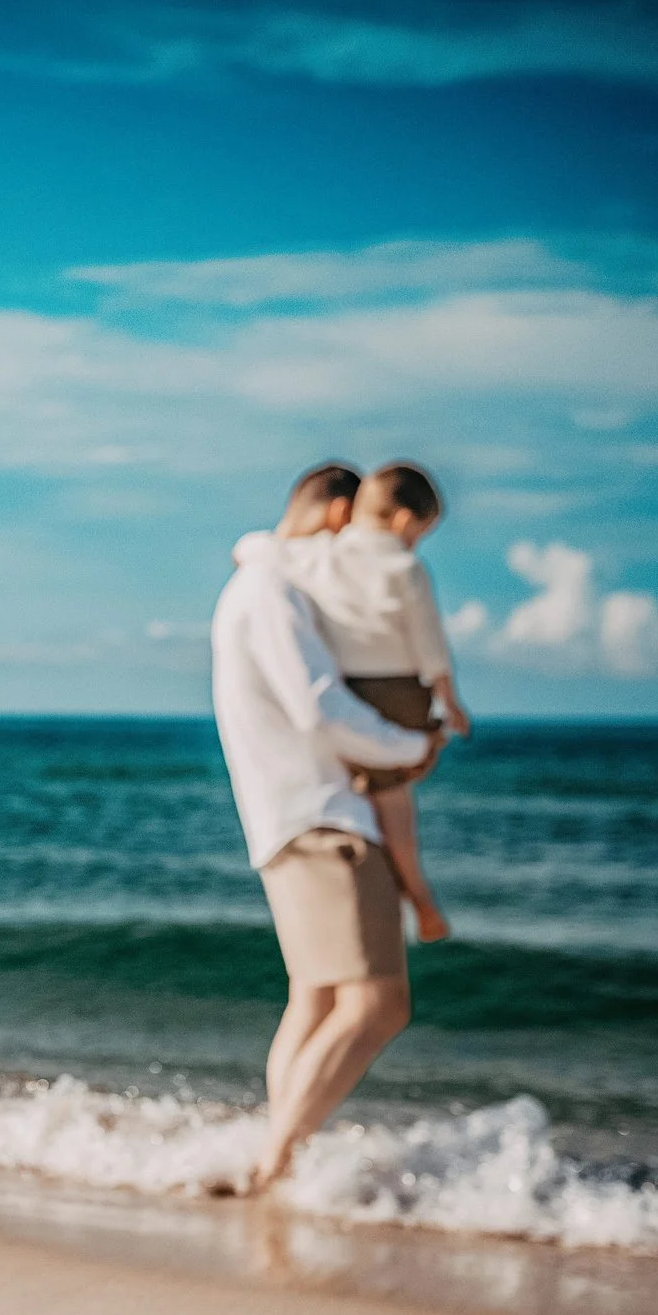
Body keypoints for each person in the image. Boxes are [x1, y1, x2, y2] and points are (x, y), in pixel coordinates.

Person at [212, 463, 443, 1191]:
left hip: (288, 818)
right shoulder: (270, 592)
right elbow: (318, 707)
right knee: (379, 1002)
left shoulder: (252, 587)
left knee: (315, 998)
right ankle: (274, 1164)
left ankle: (275, 1157)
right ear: (340, 514)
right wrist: (411, 747)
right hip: (320, 817)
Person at [278, 461, 468, 942]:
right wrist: (450, 701)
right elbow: (430, 646)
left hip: (347, 690)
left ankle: (388, 886)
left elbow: (274, 553)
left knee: (362, 794)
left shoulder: (323, 554)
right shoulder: (406, 568)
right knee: (395, 800)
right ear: (404, 521)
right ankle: (419, 897)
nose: (416, 543)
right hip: (399, 692)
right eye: (420, 533)